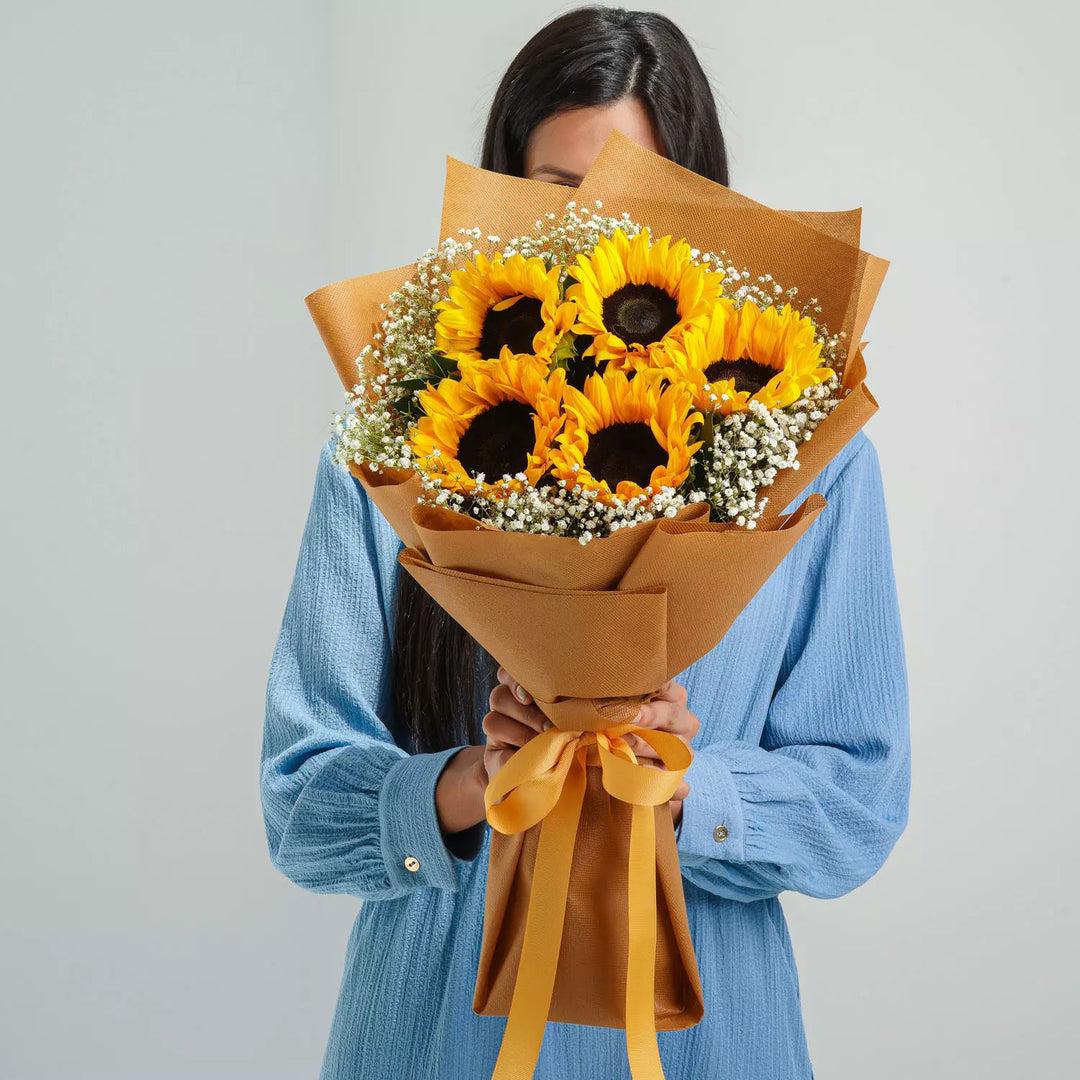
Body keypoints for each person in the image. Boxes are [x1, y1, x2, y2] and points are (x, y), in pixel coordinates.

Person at [260, 8, 910, 1079]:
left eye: (635, 193)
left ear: (697, 209)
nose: (594, 231)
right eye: (556, 195)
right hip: (437, 1035)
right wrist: (477, 780)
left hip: (711, 1034)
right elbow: (299, 800)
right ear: (501, 201)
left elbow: (859, 801)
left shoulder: (817, 459)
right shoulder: (390, 445)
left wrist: (680, 782)